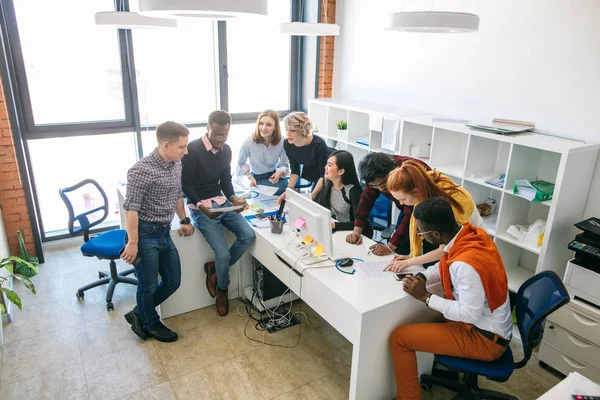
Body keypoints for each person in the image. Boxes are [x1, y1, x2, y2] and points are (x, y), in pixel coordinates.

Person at [389, 197, 512, 400]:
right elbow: (445, 261)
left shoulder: (465, 265)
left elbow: (469, 314)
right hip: (487, 325)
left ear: (435, 234)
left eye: (421, 232)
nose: (420, 235)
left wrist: (426, 297)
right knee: (423, 319)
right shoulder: (468, 234)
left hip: (485, 339)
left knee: (400, 338)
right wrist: (423, 276)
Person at [121, 121, 195, 343]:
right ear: (165, 145)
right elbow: (131, 210)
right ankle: (151, 323)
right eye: (182, 147)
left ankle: (138, 313)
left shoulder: (176, 164)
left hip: (164, 231)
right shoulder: (140, 170)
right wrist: (133, 242)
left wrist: (184, 219)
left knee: (173, 281)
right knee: (148, 285)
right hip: (144, 234)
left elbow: (178, 194)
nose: (186, 151)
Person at [181, 110, 256, 317]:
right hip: (200, 207)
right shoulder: (192, 149)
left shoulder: (226, 150)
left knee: (248, 235)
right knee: (222, 253)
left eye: (224, 135)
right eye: (216, 135)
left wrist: (232, 198)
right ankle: (223, 289)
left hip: (221, 202)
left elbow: (225, 180)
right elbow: (186, 184)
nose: (220, 140)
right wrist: (199, 205)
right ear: (208, 128)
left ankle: (216, 269)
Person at [384, 160, 483, 272]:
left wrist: (410, 262)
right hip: (453, 246)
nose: (401, 204)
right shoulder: (423, 186)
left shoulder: (454, 202)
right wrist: (411, 257)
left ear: (416, 192)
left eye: (403, 199)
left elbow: (446, 248)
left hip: (472, 246)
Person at [345, 152, 430, 256]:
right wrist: (357, 231)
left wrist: (390, 247)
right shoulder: (374, 176)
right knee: (400, 248)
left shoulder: (408, 174)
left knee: (430, 244)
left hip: (430, 207)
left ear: (393, 171)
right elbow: (365, 201)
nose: (381, 189)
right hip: (407, 208)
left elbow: (410, 212)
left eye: (383, 183)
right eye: (375, 186)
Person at [316, 150, 373, 238]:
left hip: (358, 233)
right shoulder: (327, 182)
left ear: (341, 171)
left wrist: (334, 225)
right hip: (340, 228)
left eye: (330, 165)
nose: (325, 167)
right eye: (327, 164)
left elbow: (358, 223)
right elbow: (321, 207)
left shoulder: (353, 191)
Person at [278, 111, 332, 203]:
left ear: (302, 130)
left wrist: (312, 196)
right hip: (315, 173)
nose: (288, 133)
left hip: (329, 172)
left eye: (292, 130)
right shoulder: (287, 144)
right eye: (286, 129)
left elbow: (323, 175)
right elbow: (295, 170)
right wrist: (289, 190)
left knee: (318, 202)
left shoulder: (319, 144)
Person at [237, 109, 290, 196]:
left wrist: (279, 173)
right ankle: (259, 188)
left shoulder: (282, 141)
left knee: (286, 188)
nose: (263, 127)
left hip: (274, 175)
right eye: (261, 123)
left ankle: (262, 190)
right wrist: (250, 177)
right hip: (257, 177)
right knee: (284, 190)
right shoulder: (249, 142)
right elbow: (240, 163)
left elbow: (284, 164)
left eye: (269, 124)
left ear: (275, 127)